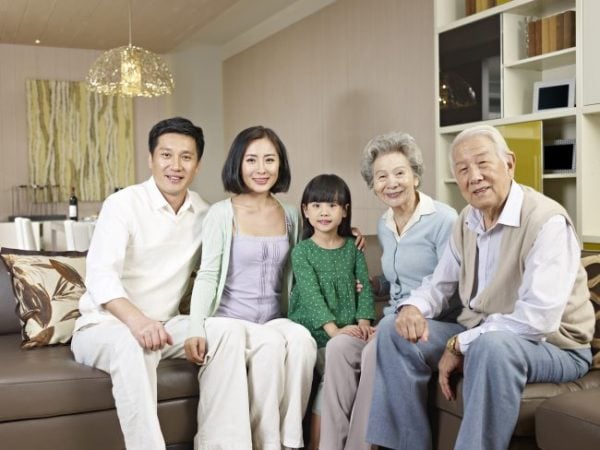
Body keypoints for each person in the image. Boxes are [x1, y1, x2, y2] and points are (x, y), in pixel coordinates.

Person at [367, 124, 596, 450]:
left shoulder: (547, 221)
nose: (474, 176)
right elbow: (439, 284)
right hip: (485, 333)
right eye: (463, 169)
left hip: (556, 346)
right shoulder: (467, 220)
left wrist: (461, 344)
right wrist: (413, 307)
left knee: (492, 346)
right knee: (394, 329)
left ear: (509, 164)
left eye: (483, 163)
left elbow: (537, 319)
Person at [71, 117, 251, 450]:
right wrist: (138, 321)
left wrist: (336, 236)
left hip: (167, 326)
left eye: (186, 156)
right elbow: (100, 275)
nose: (176, 165)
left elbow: (250, 240)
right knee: (132, 343)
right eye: (166, 155)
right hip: (104, 327)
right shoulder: (122, 204)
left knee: (229, 332)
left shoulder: (206, 213)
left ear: (197, 166)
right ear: (151, 158)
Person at [319, 131, 457, 450]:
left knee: (373, 351)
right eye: (381, 176)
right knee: (340, 348)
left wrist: (397, 320)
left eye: (399, 173)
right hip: (391, 321)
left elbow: (450, 285)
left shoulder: (444, 220)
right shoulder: (384, 223)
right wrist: (373, 284)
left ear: (416, 176)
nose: (391, 182)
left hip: (436, 323)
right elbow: (399, 278)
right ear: (373, 185)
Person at [185, 126, 318, 450]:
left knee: (302, 341)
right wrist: (194, 328)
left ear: (280, 165)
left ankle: (290, 440)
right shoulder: (221, 213)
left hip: (274, 316)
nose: (262, 169)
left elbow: (312, 253)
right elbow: (207, 273)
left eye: (270, 160)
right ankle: (266, 444)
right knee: (271, 345)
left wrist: (347, 232)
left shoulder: (290, 216)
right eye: (252, 160)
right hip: (230, 319)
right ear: (238, 164)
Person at [288, 174, 376, 450]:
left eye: (332, 206)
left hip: (348, 330)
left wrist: (363, 323)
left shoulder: (353, 247)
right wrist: (334, 330)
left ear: (345, 211)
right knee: (332, 376)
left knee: (372, 362)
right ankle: (319, 444)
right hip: (316, 331)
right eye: (316, 205)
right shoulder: (302, 252)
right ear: (305, 210)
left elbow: (365, 288)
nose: (324, 212)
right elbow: (312, 297)